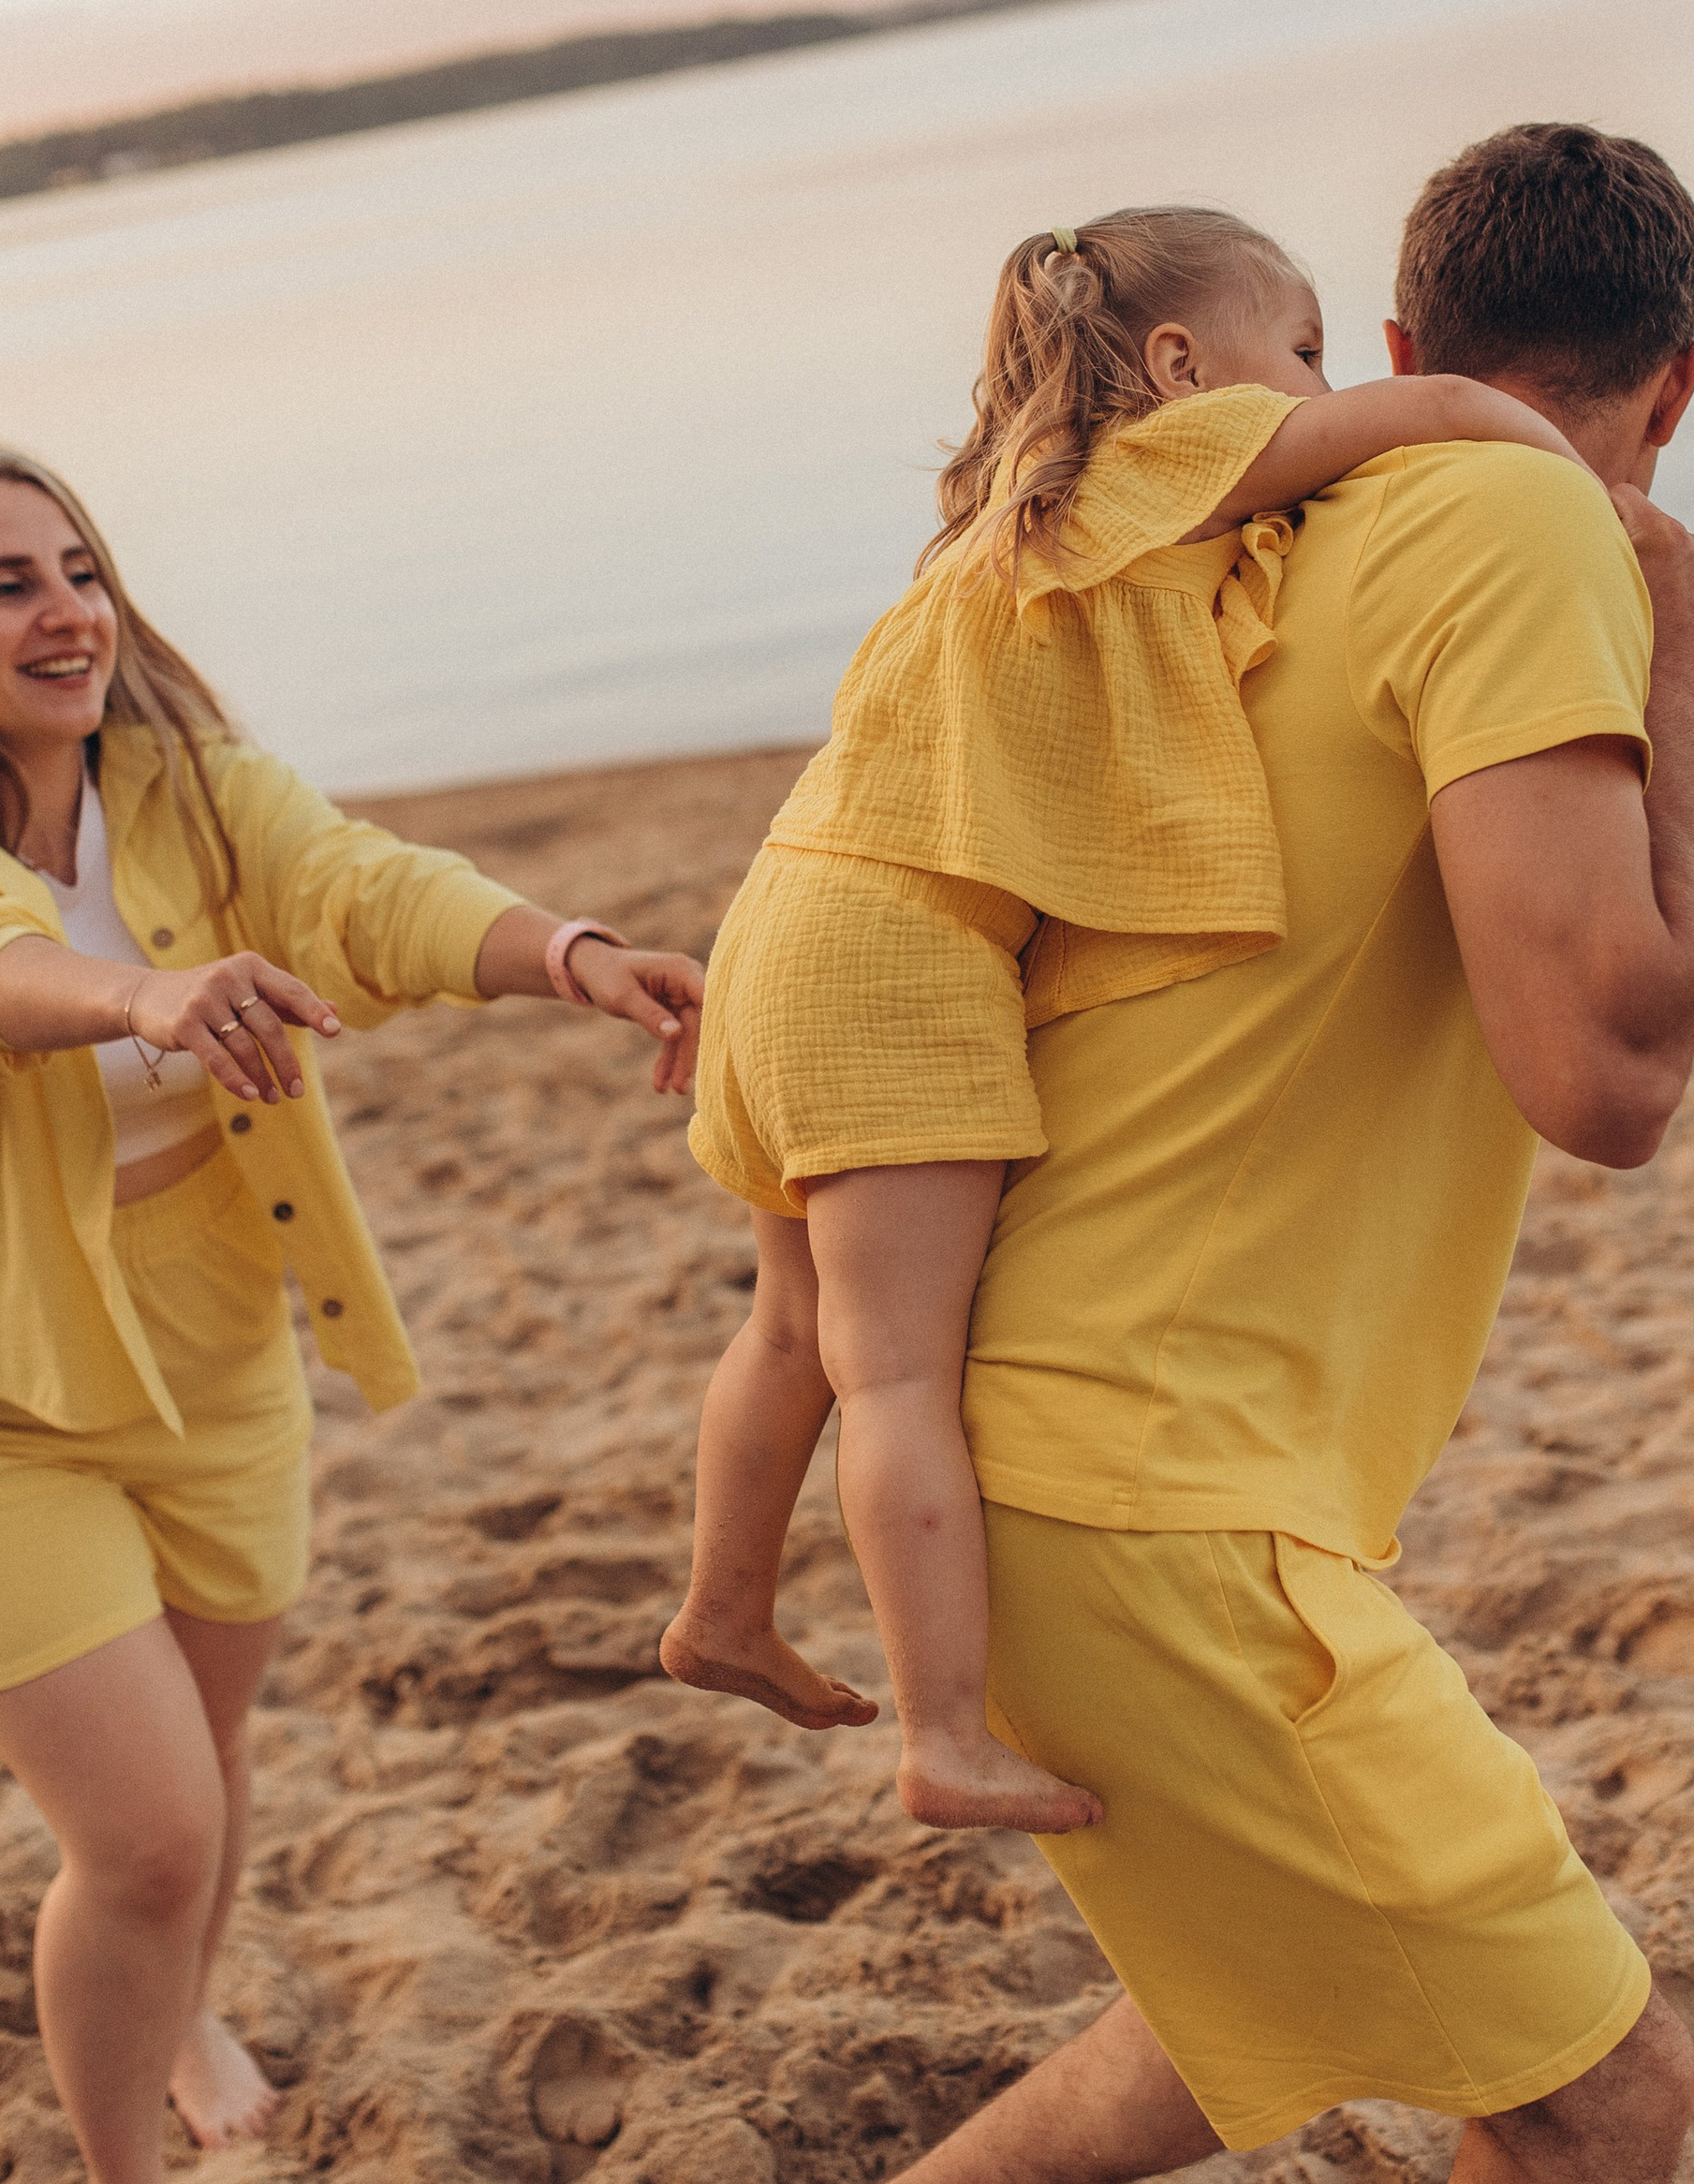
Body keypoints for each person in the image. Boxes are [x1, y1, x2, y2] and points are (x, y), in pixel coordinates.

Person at [692, 123, 1694, 2184]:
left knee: (1319, 1939)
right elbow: (1607, 1079)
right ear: (1675, 383)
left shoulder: (1205, 539)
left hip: (1107, 1458)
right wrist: (1689, 677)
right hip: (1144, 1488)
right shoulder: (1516, 532)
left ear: (1386, 346)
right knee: (1600, 2103)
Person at [0, 442, 703, 2184]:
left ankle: (176, 2016)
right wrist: (140, 997)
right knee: (153, 1828)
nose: (63, 608)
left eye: (75, 565)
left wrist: (572, 960)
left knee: (206, 1756)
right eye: (0, 583)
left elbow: (364, 889)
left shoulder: (178, 780)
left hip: (210, 1349)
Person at [663, 205, 1579, 1833]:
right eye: (1294, 346)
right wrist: (1557, 480)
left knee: (792, 1323)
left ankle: (723, 1607)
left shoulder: (1010, 523)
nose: (1307, 386)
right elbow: (1430, 411)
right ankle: (943, 1730)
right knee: (894, 1376)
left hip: (784, 920)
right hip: (897, 955)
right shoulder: (1155, 468)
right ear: (1174, 366)